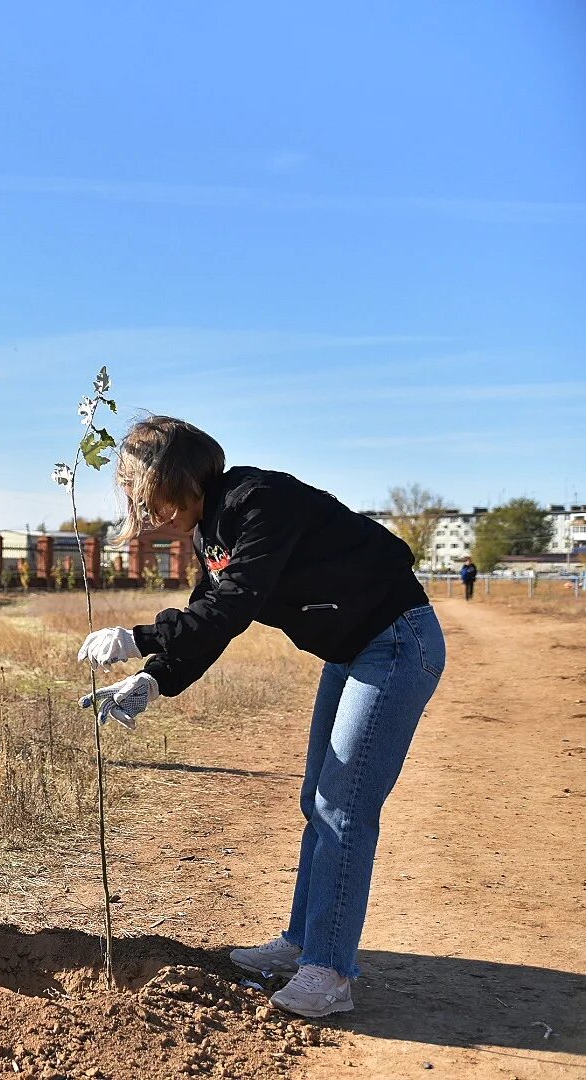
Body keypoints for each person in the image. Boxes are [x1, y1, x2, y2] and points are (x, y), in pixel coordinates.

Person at [76, 416, 444, 1019]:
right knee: (317, 803)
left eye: (149, 494)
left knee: (342, 809)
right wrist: (155, 677)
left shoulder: (258, 503)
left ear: (180, 481)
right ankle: (302, 943)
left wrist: (137, 637)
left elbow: (235, 604)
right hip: (352, 650)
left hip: (397, 643)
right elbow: (209, 614)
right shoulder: (210, 530)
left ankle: (329, 972)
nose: (145, 510)